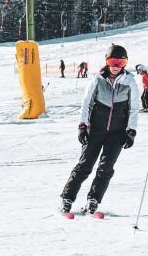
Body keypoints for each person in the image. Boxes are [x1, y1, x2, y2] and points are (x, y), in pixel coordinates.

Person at [59, 44, 138, 217]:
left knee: (106, 168)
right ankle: (67, 198)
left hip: (117, 133)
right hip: (95, 129)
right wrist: (82, 126)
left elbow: (133, 108)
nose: (116, 66)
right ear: (107, 62)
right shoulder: (97, 80)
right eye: (112, 61)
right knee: (85, 165)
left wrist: (131, 131)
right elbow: (86, 103)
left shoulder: (129, 81)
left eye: (120, 62)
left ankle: (93, 199)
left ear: (125, 63)